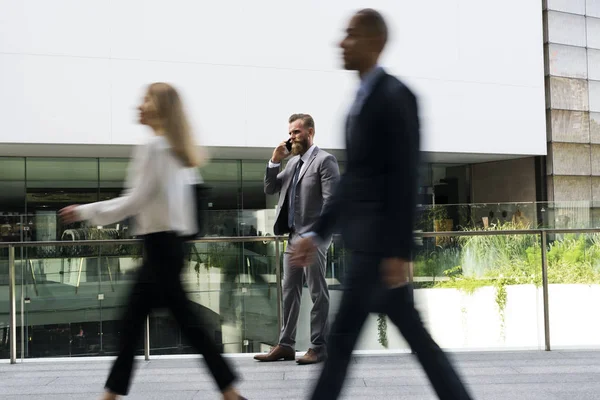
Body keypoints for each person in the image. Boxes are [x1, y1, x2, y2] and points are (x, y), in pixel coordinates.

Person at [290, 9, 474, 400]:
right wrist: (317, 233)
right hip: (366, 249)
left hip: (382, 254)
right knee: (350, 346)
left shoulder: (395, 96)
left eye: (351, 35)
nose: (341, 43)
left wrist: (399, 251)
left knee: (370, 345)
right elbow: (353, 180)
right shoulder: (359, 101)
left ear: (374, 42)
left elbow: (409, 176)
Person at [59, 83, 245, 400]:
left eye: (147, 99)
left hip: (159, 250)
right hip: (171, 249)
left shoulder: (155, 149)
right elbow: (183, 213)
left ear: (160, 107)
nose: (140, 104)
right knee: (182, 325)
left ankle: (112, 395)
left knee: (137, 325)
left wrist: (86, 211)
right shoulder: (177, 153)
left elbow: (135, 200)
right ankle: (228, 391)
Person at [254, 114, 339, 365]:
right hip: (293, 238)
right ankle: (286, 345)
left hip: (314, 237)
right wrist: (274, 161)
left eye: (297, 132)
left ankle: (318, 346)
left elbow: (332, 202)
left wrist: (316, 236)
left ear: (310, 132)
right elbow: (270, 188)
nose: (292, 137)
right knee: (289, 291)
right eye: (290, 133)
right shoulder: (291, 164)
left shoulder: (324, 160)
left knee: (317, 292)